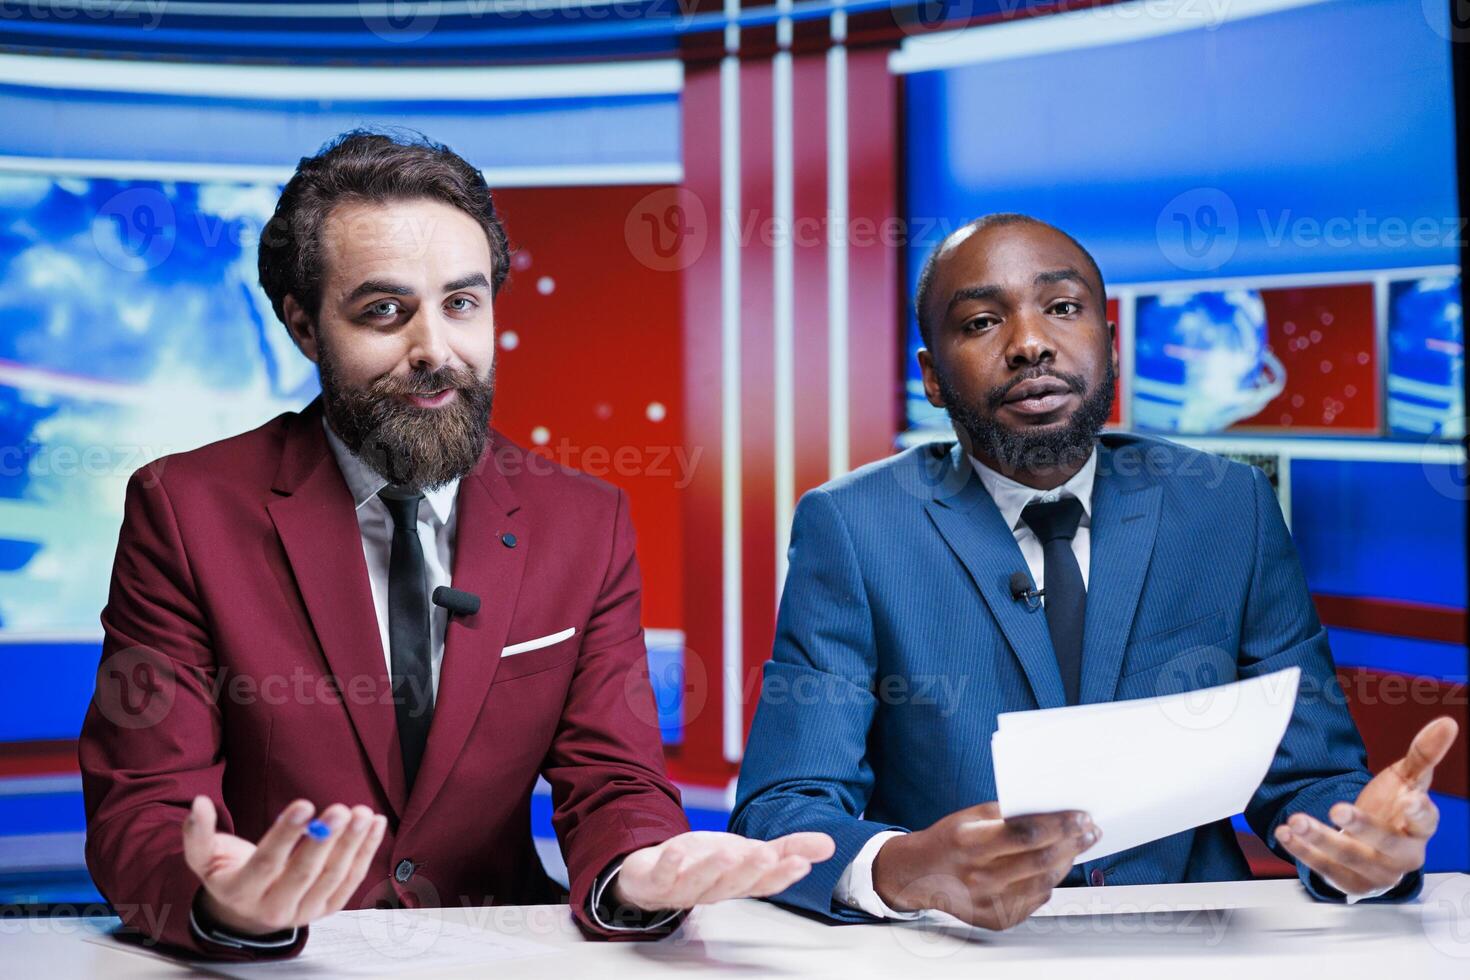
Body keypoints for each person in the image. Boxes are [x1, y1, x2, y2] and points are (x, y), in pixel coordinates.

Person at [79, 130, 832, 960]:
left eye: (462, 304)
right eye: (384, 311)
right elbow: (142, 809)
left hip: (501, 953)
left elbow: (614, 782)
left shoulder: (586, 523)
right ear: (302, 325)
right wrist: (220, 897)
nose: (436, 350)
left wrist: (642, 866)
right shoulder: (183, 511)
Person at [730, 213, 1458, 930]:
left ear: (1110, 344)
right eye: (982, 322)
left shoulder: (1226, 508)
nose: (1030, 344)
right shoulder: (856, 527)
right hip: (964, 955)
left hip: (1191, 953)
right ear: (932, 378)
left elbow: (1311, 778)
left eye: (1062, 308)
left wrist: (1360, 845)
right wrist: (906, 867)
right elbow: (782, 809)